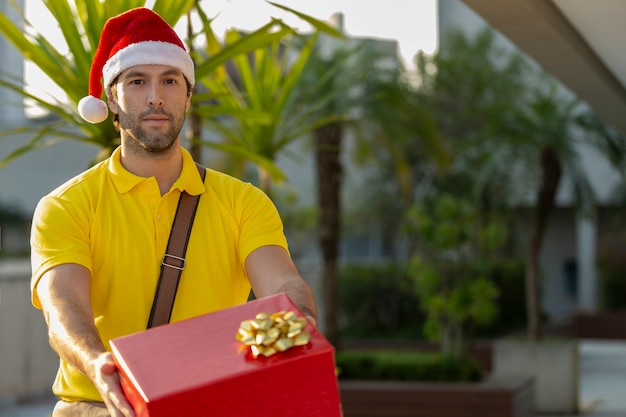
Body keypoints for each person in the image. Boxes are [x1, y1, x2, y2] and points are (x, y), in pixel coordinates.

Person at [30, 7, 318, 417]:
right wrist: (98, 365)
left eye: (169, 80)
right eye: (137, 81)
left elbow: (282, 282)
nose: (155, 96)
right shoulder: (66, 206)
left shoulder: (244, 201)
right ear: (112, 97)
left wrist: (299, 317)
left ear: (188, 94)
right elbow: (63, 307)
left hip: (210, 406)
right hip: (100, 406)